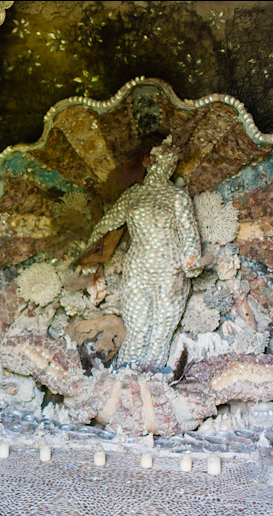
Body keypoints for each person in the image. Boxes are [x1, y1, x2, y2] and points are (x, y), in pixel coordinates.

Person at [87, 135, 202, 372]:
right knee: (136, 328)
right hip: (137, 268)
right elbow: (107, 223)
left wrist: (191, 262)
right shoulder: (134, 195)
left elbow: (190, 234)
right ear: (149, 162)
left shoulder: (177, 197)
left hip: (169, 271)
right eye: (161, 161)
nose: (165, 167)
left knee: (161, 331)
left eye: (170, 163)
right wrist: (89, 254)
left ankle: (153, 380)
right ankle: (123, 377)